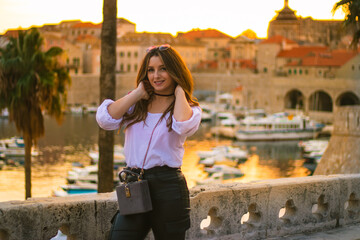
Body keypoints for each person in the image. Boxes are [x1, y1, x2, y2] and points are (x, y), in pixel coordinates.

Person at [96, 44, 201, 240]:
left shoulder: (189, 108)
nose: (156, 76)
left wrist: (180, 93)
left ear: (175, 71)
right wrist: (137, 93)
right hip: (134, 184)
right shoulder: (136, 105)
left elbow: (181, 125)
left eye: (163, 69)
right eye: (150, 70)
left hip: (168, 187)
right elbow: (105, 120)